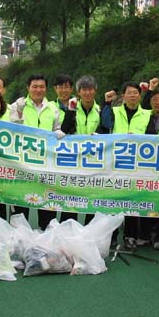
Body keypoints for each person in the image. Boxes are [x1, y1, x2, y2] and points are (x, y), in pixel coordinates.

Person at [101, 82, 151, 250]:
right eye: (129, 93)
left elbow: (152, 135)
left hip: (138, 164)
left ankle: (130, 236)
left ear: (140, 95)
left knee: (132, 201)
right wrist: (107, 103)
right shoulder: (115, 111)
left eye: (135, 93)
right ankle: (112, 236)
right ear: (123, 95)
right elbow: (106, 124)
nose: (132, 95)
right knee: (114, 201)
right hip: (115, 163)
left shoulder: (147, 114)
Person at [10, 74, 64, 229]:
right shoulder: (17, 105)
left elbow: (57, 128)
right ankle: (19, 240)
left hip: (46, 164)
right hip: (21, 163)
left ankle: (46, 238)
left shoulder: (53, 108)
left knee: (47, 205)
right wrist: (19, 113)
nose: (38, 90)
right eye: (35, 86)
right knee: (20, 204)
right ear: (28, 87)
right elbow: (12, 129)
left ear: (46, 89)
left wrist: (59, 132)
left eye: (42, 87)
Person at [60, 75, 103, 223]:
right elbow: (64, 129)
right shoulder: (72, 107)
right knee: (72, 197)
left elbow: (106, 130)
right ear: (79, 92)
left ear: (95, 91)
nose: (87, 93)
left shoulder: (100, 109)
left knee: (92, 197)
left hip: (95, 160)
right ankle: (69, 229)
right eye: (84, 90)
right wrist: (70, 111)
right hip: (75, 160)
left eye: (90, 89)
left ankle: (91, 231)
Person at [142, 87, 159, 250]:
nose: (157, 102)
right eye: (154, 99)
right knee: (144, 199)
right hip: (144, 165)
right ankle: (144, 235)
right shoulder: (144, 116)